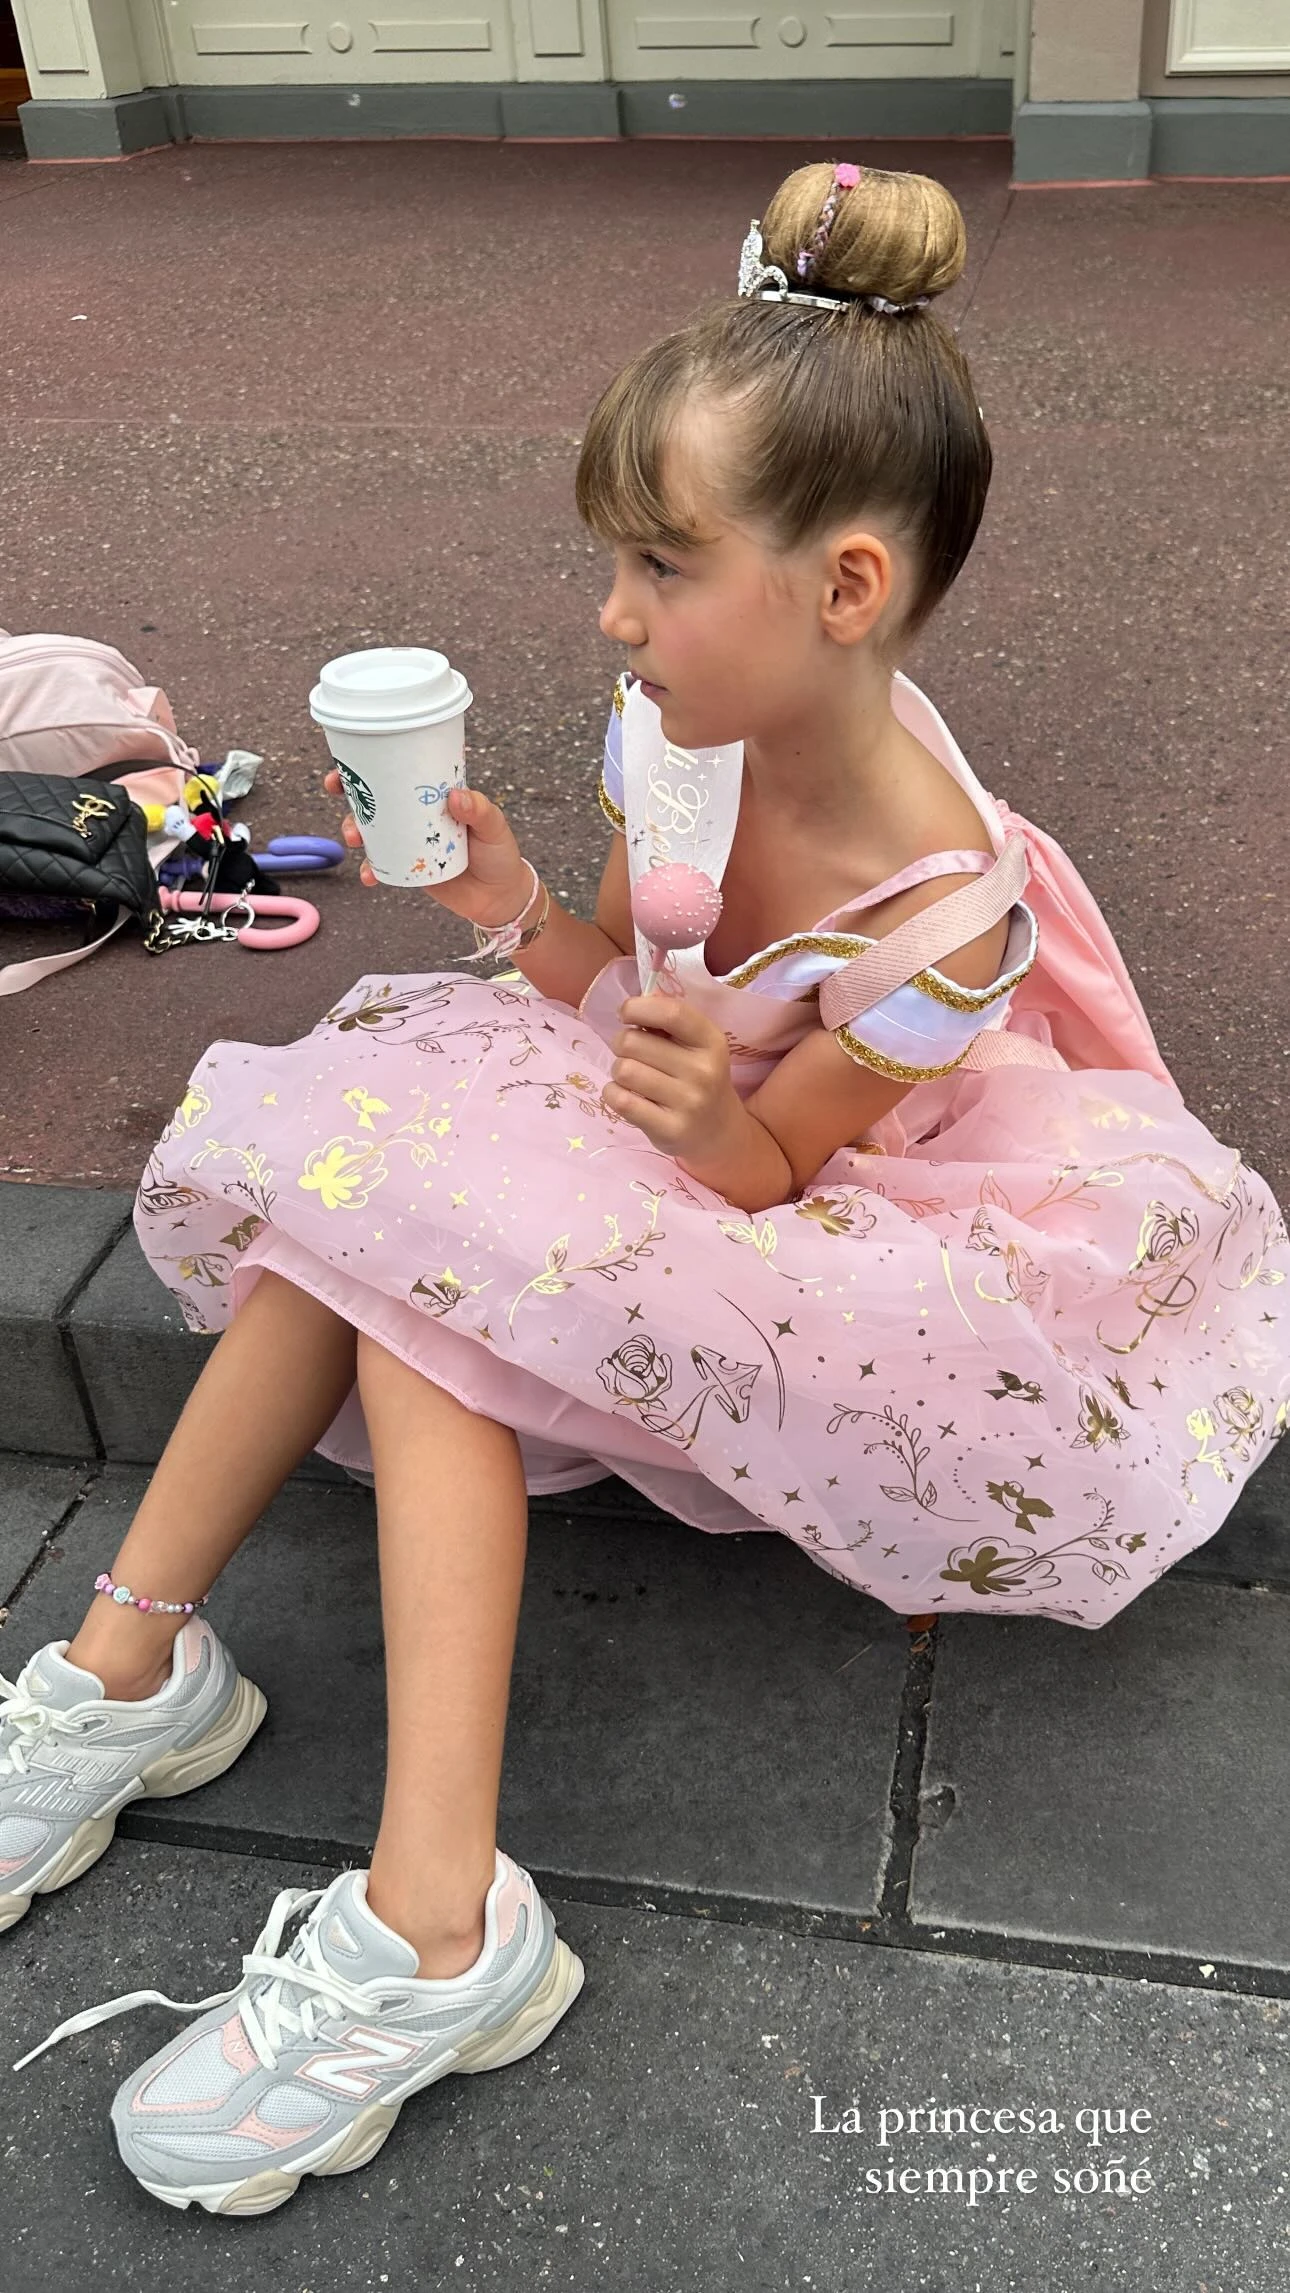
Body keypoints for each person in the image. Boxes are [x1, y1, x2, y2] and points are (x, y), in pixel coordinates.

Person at [6, 160, 1288, 2215]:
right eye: (616, 557)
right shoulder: (671, 734)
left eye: (661, 565)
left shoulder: (942, 921)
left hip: (843, 1216)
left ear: (844, 589)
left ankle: (429, 1911)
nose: (612, 612)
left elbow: (772, 1168)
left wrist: (695, 1103)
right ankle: (125, 1678)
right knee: (369, 1207)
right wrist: (512, 908)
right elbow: (616, 985)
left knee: (421, 1289)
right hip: (662, 1112)